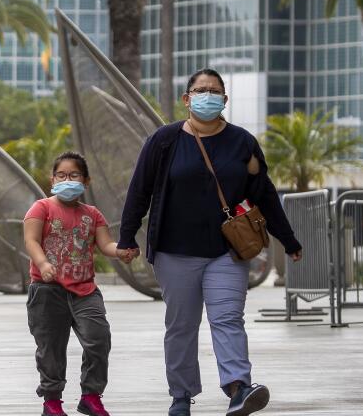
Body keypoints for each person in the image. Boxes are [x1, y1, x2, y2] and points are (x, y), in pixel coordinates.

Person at [117, 69, 304, 416]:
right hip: (175, 251)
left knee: (228, 319)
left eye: (214, 91)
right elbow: (139, 191)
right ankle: (181, 396)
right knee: (181, 325)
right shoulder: (164, 141)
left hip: (227, 252)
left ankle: (238, 388)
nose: (207, 96)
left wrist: (288, 239)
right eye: (200, 90)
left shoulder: (243, 143)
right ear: (187, 99)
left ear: (225, 100)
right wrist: (127, 237)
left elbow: (263, 192)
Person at [23, 151, 121, 416]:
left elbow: (106, 244)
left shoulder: (92, 214)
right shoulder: (41, 207)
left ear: (85, 181)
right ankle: (52, 402)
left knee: (98, 338)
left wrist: (121, 251)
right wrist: (43, 264)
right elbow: (31, 240)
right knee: (50, 349)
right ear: (53, 179)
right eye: (62, 175)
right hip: (47, 291)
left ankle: (91, 395)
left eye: (74, 175)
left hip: (84, 290)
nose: (68, 179)